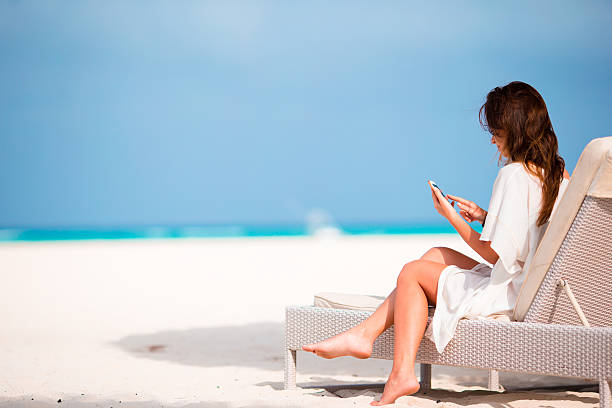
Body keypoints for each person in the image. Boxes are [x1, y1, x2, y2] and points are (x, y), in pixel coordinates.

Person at [302, 81, 571, 406]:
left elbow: (492, 252)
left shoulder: (513, 174)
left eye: (497, 132)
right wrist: (485, 217)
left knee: (412, 272)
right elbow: (532, 236)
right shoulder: (557, 176)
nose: (493, 140)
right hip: (535, 286)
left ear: (515, 131)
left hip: (511, 296)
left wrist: (451, 216)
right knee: (435, 255)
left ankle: (400, 372)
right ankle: (365, 334)